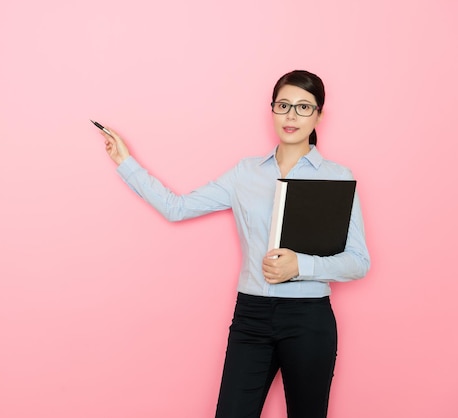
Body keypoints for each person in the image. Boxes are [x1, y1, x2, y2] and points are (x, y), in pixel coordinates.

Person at [97, 70, 370, 418]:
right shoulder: (245, 173)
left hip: (309, 319)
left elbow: (359, 261)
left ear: (319, 115)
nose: (291, 115)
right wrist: (125, 161)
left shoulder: (337, 177)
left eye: (303, 107)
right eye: (283, 105)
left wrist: (302, 265)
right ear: (272, 110)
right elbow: (177, 208)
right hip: (251, 316)